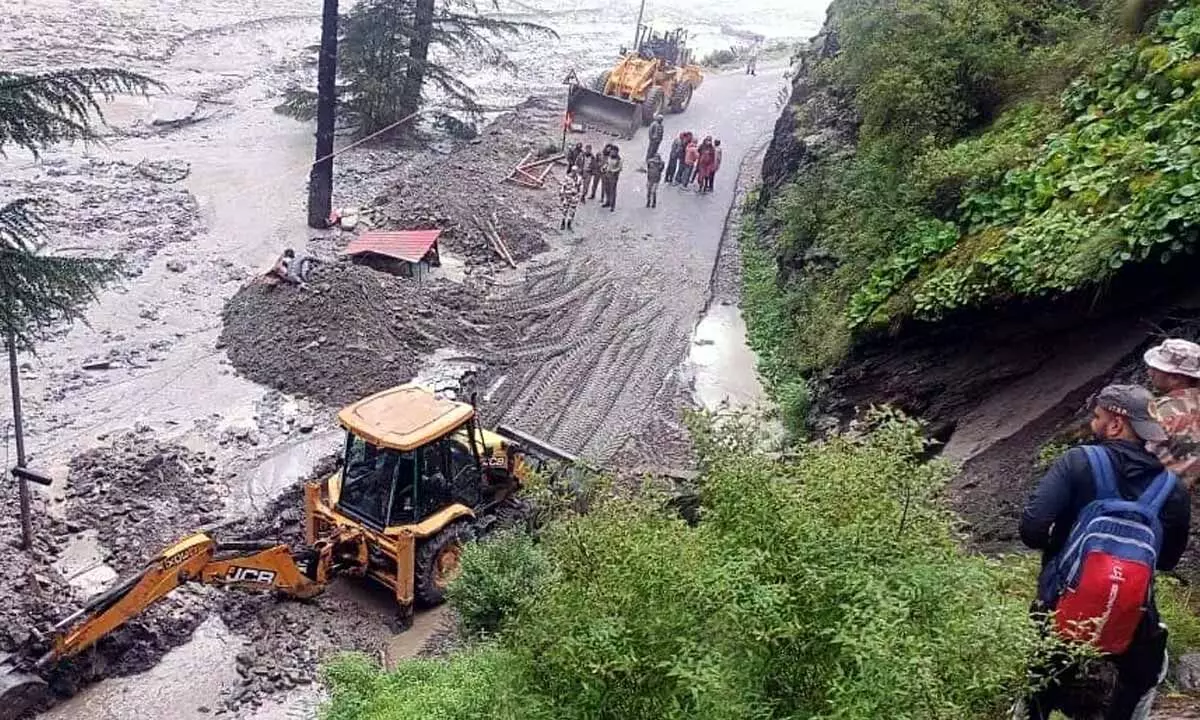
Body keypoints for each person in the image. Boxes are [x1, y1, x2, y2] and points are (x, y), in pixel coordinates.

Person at [1016, 384, 1190, 720]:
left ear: (1115, 424)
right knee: (1148, 674)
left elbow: (1031, 529)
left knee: (1039, 685)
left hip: (1059, 609)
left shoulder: (1077, 462)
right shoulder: (1172, 489)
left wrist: (1063, 548)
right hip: (1131, 614)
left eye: (1097, 416)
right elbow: (1167, 561)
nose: (1092, 422)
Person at [1144, 338, 1200, 488]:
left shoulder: (1159, 411)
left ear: (1175, 378)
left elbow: (1140, 457)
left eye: (1156, 369)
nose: (1149, 372)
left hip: (1170, 492)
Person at [559, 166, 582, 231]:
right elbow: (563, 186)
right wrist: (562, 195)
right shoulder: (567, 178)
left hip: (575, 197)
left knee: (572, 211)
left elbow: (580, 188)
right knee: (564, 210)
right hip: (567, 196)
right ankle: (563, 223)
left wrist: (579, 195)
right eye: (573, 171)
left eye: (575, 171)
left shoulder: (579, 178)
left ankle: (569, 224)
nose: (574, 172)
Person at [601, 145, 622, 211]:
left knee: (612, 190)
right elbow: (607, 163)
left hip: (613, 176)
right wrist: (603, 167)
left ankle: (613, 205)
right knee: (607, 189)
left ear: (616, 152)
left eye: (614, 151)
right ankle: (608, 201)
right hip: (607, 174)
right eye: (612, 151)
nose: (612, 152)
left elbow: (619, 168)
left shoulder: (619, 160)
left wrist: (613, 171)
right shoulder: (609, 157)